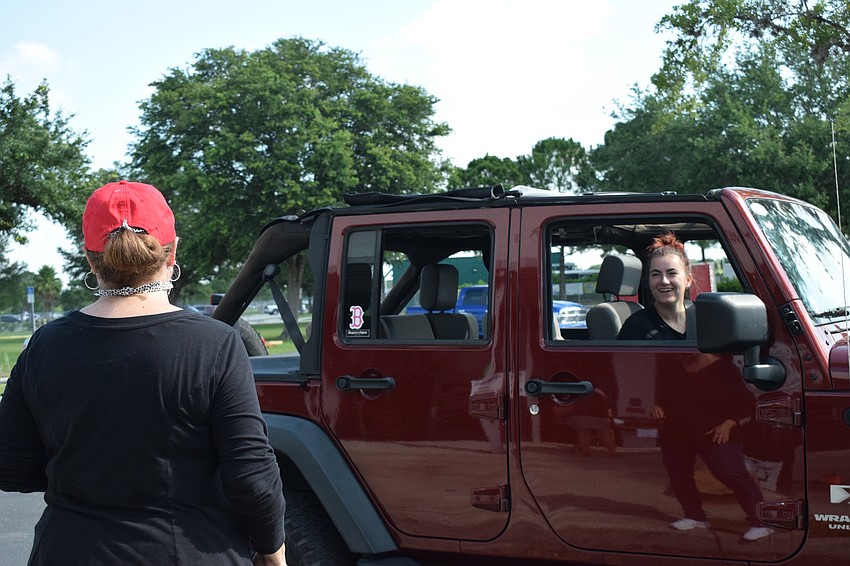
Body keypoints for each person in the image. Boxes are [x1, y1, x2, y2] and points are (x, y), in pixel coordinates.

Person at [0, 180, 286, 565]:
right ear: (172, 252)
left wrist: (81, 478)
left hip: (69, 548)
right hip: (190, 550)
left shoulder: (43, 345)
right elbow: (252, 476)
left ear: (89, 258)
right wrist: (273, 553)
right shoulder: (214, 344)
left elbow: (10, 465)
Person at [618, 232, 772, 543]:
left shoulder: (709, 318)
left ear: (688, 279)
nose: (664, 281)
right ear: (647, 282)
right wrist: (653, 402)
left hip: (716, 424)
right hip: (674, 423)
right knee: (678, 473)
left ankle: (761, 519)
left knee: (729, 472)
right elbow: (635, 373)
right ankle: (694, 516)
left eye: (672, 273)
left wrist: (730, 423)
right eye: (656, 274)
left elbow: (740, 391)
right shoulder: (637, 326)